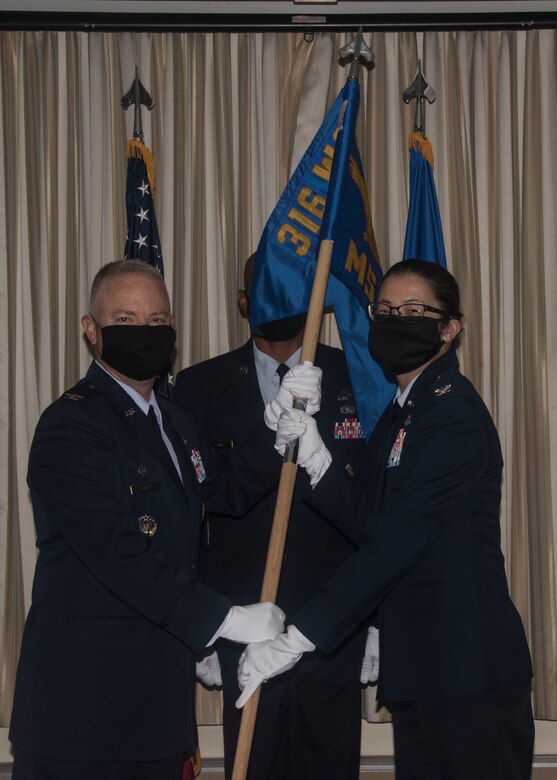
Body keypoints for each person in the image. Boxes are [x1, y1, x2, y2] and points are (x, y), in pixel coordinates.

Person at [237, 259, 535, 780]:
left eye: (415, 310)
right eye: (386, 310)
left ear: (449, 328)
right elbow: (367, 519)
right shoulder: (405, 410)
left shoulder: (452, 417)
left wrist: (299, 637)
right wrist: (315, 455)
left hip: (466, 673)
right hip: (421, 668)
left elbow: (394, 543)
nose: (397, 320)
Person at [9, 260, 285, 780]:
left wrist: (278, 433)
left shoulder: (174, 419)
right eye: (126, 320)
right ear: (92, 330)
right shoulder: (70, 425)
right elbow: (119, 553)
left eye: (157, 323)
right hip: (82, 718)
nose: (144, 334)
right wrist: (224, 620)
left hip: (157, 711)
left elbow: (221, 491)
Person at [172, 254, 371, 780]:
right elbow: (190, 515)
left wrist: (377, 621)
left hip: (333, 627)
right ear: (242, 302)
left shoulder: (356, 375)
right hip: (244, 627)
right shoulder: (197, 387)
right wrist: (202, 632)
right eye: (264, 290)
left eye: (294, 289)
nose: (280, 301)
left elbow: (377, 509)